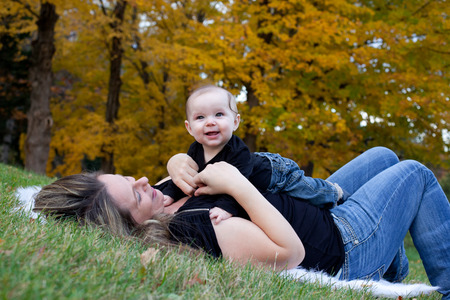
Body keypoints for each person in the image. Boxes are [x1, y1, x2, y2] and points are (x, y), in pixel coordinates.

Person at [33, 147, 450, 299]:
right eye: (137, 193)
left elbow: (191, 158)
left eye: (132, 177)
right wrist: (237, 184)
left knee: (383, 157)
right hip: (344, 243)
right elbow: (290, 254)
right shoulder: (195, 227)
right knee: (414, 174)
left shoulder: (162, 197)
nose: (145, 182)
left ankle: (394, 268)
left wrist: (178, 161)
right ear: (131, 224)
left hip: (314, 208)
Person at [161, 84, 346, 223]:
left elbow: (239, 185)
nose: (210, 122)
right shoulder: (194, 150)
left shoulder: (237, 151)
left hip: (275, 173)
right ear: (189, 127)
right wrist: (169, 194)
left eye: (218, 115)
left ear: (235, 122)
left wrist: (226, 208)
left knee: (307, 191)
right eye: (200, 117)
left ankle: (332, 191)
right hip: (256, 172)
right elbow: (184, 179)